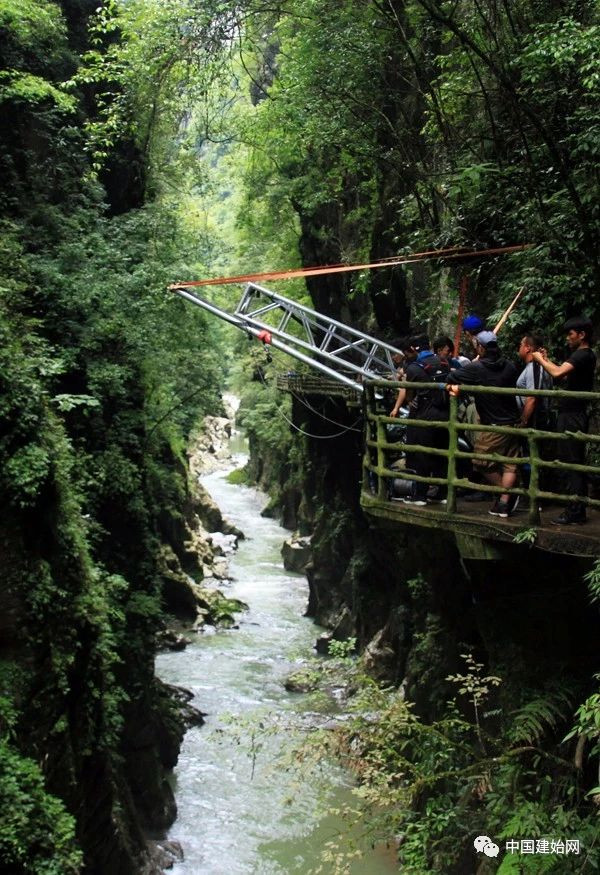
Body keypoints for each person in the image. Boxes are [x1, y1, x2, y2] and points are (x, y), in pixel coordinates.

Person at [447, 331, 521, 518]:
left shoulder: (477, 368)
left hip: (494, 424)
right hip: (513, 421)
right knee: (510, 463)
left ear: (480, 348)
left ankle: (508, 494)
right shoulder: (510, 366)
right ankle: (504, 504)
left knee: (480, 461)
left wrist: (472, 366)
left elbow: (452, 378)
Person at [531, 316, 597, 525]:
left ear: (581, 335)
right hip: (572, 413)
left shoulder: (582, 354)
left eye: (570, 334)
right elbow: (562, 374)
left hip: (573, 415)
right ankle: (575, 508)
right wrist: (547, 359)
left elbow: (558, 373)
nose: (568, 338)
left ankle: (576, 510)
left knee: (572, 462)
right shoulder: (582, 355)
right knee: (570, 460)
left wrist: (540, 360)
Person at [390, 334, 450, 505]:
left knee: (420, 454)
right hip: (445, 415)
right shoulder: (444, 362)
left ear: (411, 350)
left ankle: (420, 495)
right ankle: (442, 493)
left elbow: (409, 394)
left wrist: (408, 405)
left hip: (424, 416)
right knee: (442, 453)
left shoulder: (414, 368)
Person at [516, 333, 553, 427]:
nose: (519, 348)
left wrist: (523, 421)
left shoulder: (534, 367)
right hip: (536, 419)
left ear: (528, 348)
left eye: (521, 345)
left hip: (533, 422)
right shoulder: (540, 366)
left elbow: (532, 398)